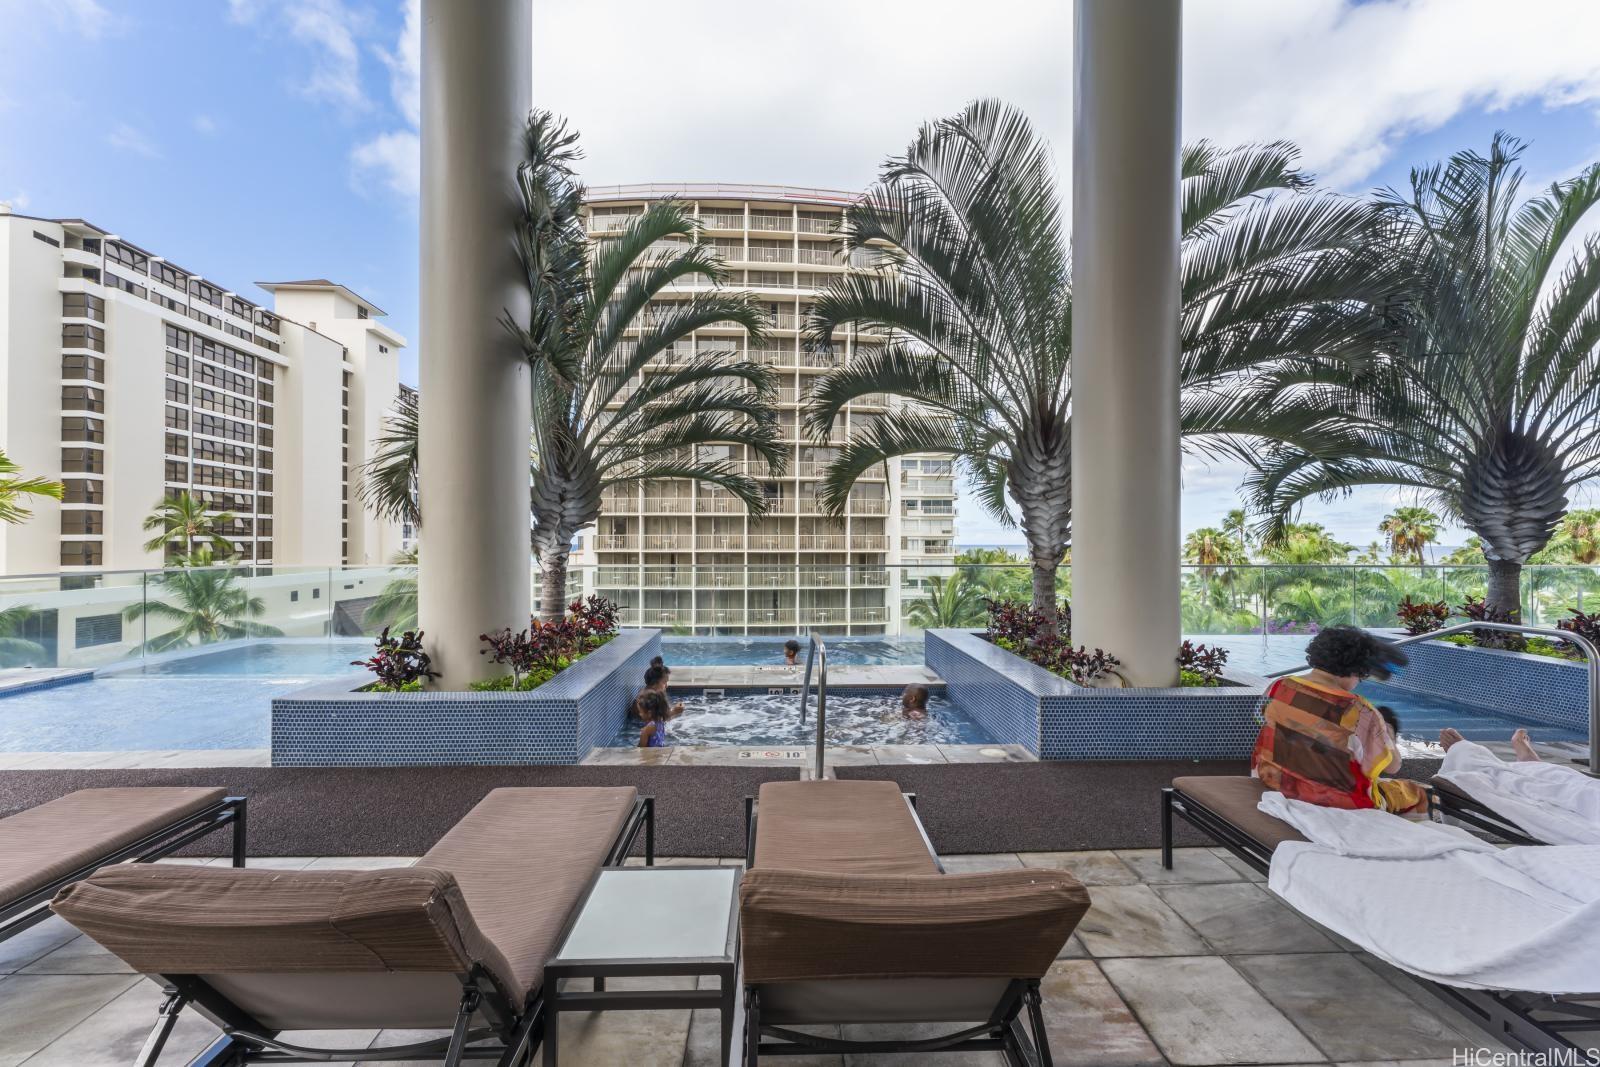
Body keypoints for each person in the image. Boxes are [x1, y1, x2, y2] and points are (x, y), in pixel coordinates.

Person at [1251, 626, 1428, 815]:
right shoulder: (1359, 710)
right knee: (1417, 793)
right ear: (1355, 670)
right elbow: (1393, 766)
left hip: (1272, 781)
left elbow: (1261, 720)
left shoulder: (1278, 686)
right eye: (1361, 676)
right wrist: (1388, 733)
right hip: (1336, 803)